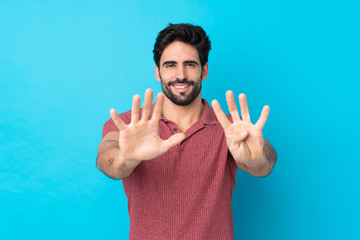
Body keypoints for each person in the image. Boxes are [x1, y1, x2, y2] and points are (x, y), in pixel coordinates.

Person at [97, 23, 277, 240]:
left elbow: (264, 162)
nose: (180, 75)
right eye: (170, 65)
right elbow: (108, 160)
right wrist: (126, 158)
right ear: (157, 71)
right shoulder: (130, 126)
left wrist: (256, 160)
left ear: (204, 70)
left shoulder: (232, 130)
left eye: (190, 64)